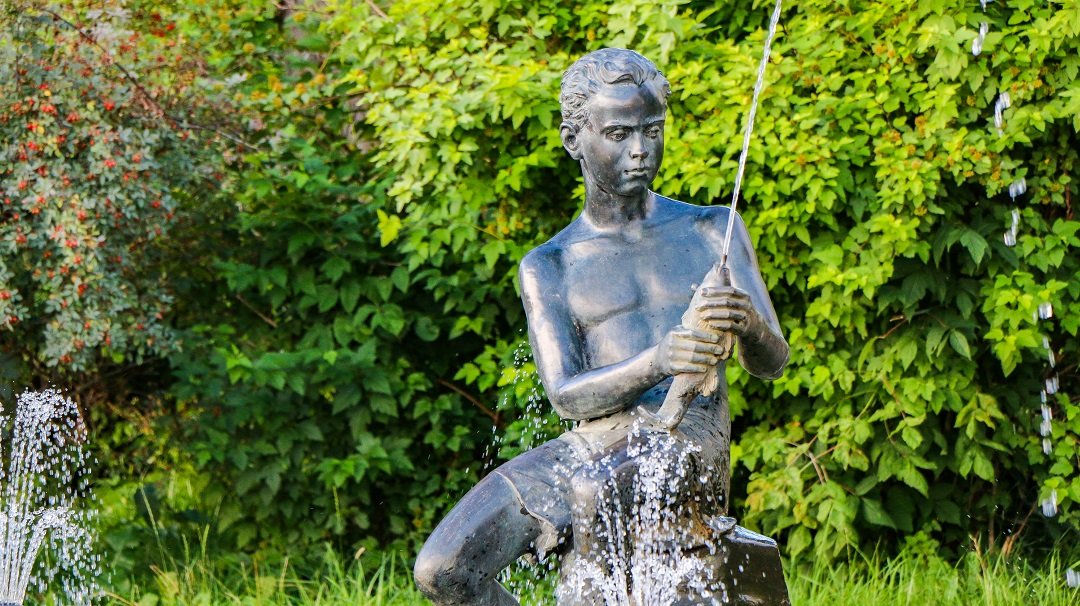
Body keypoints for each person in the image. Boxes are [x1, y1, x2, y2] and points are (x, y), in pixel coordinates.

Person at [414, 48, 789, 606]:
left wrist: (749, 322)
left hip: (683, 438)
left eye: (652, 130)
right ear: (574, 140)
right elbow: (566, 397)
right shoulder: (550, 264)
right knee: (443, 570)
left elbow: (772, 363)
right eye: (618, 133)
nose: (640, 149)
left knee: (596, 488)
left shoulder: (713, 229)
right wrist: (659, 360)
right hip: (588, 443)